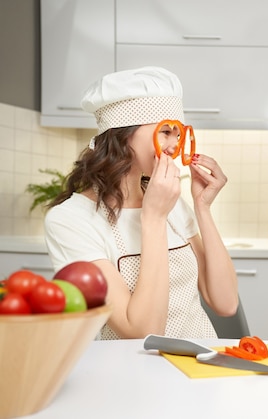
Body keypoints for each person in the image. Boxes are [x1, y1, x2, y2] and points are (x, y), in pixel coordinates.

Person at [44, 66, 238, 340]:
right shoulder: (70, 220)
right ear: (124, 133)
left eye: (179, 134)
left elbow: (226, 302)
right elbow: (142, 332)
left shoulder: (173, 203)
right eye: (165, 132)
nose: (174, 145)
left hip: (200, 366)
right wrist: (154, 218)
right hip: (133, 375)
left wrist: (202, 207)